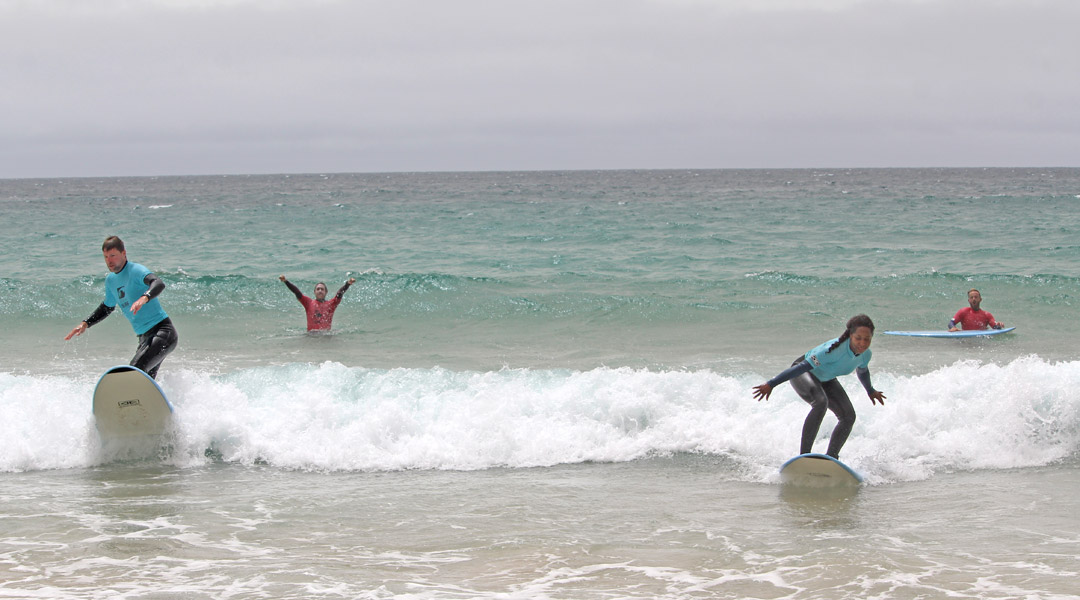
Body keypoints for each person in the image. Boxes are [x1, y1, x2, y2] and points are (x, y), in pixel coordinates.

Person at [752, 314, 886, 459]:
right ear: (850, 336)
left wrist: (870, 390)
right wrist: (772, 384)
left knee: (848, 416)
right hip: (803, 372)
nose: (862, 343)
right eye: (858, 338)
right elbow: (802, 367)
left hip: (826, 378)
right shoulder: (832, 350)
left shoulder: (865, 355)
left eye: (867, 339)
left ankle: (832, 457)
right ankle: (804, 456)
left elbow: (863, 371)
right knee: (820, 403)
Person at [64, 236, 179, 379]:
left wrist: (144, 297)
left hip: (162, 333)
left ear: (123, 254)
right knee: (145, 381)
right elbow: (107, 307)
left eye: (113, 255)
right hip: (144, 338)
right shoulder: (111, 280)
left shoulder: (136, 270)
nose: (109, 261)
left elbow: (158, 283)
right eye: (106, 257)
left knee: (134, 372)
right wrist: (86, 323)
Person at [279, 275, 356, 331]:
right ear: (314, 292)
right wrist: (286, 282)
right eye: (318, 289)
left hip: (326, 336)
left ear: (326, 292)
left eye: (322, 289)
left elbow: (339, 294)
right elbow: (297, 292)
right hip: (311, 336)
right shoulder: (308, 303)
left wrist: (347, 284)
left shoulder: (331, 304)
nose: (320, 291)